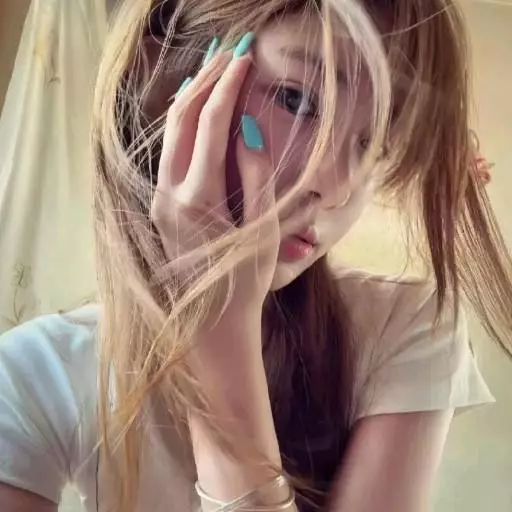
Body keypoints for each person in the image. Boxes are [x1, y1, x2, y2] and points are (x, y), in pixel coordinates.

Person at [0, 0, 510, 511]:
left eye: (374, 141)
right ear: (172, 79)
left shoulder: (406, 327)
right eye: (296, 100)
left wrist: (218, 333)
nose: (337, 187)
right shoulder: (35, 375)